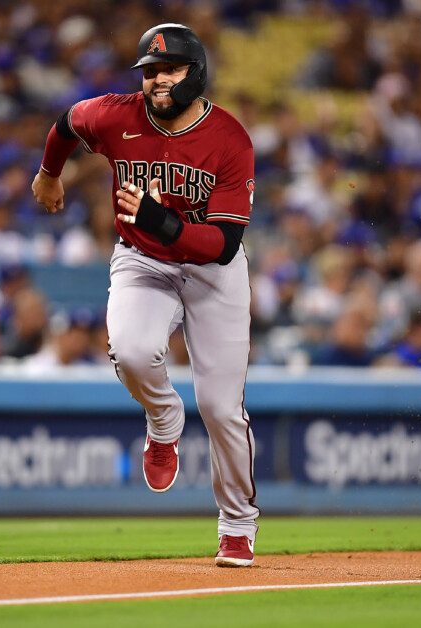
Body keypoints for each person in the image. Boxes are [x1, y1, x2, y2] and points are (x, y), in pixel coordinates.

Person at [32, 24, 258, 567]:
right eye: (150, 71)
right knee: (131, 350)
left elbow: (223, 245)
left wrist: (163, 220)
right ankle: (163, 420)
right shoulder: (115, 114)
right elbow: (65, 124)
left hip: (211, 271)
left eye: (169, 69)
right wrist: (48, 174)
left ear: (195, 73)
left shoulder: (230, 138)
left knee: (221, 407)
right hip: (143, 259)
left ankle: (238, 524)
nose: (156, 79)